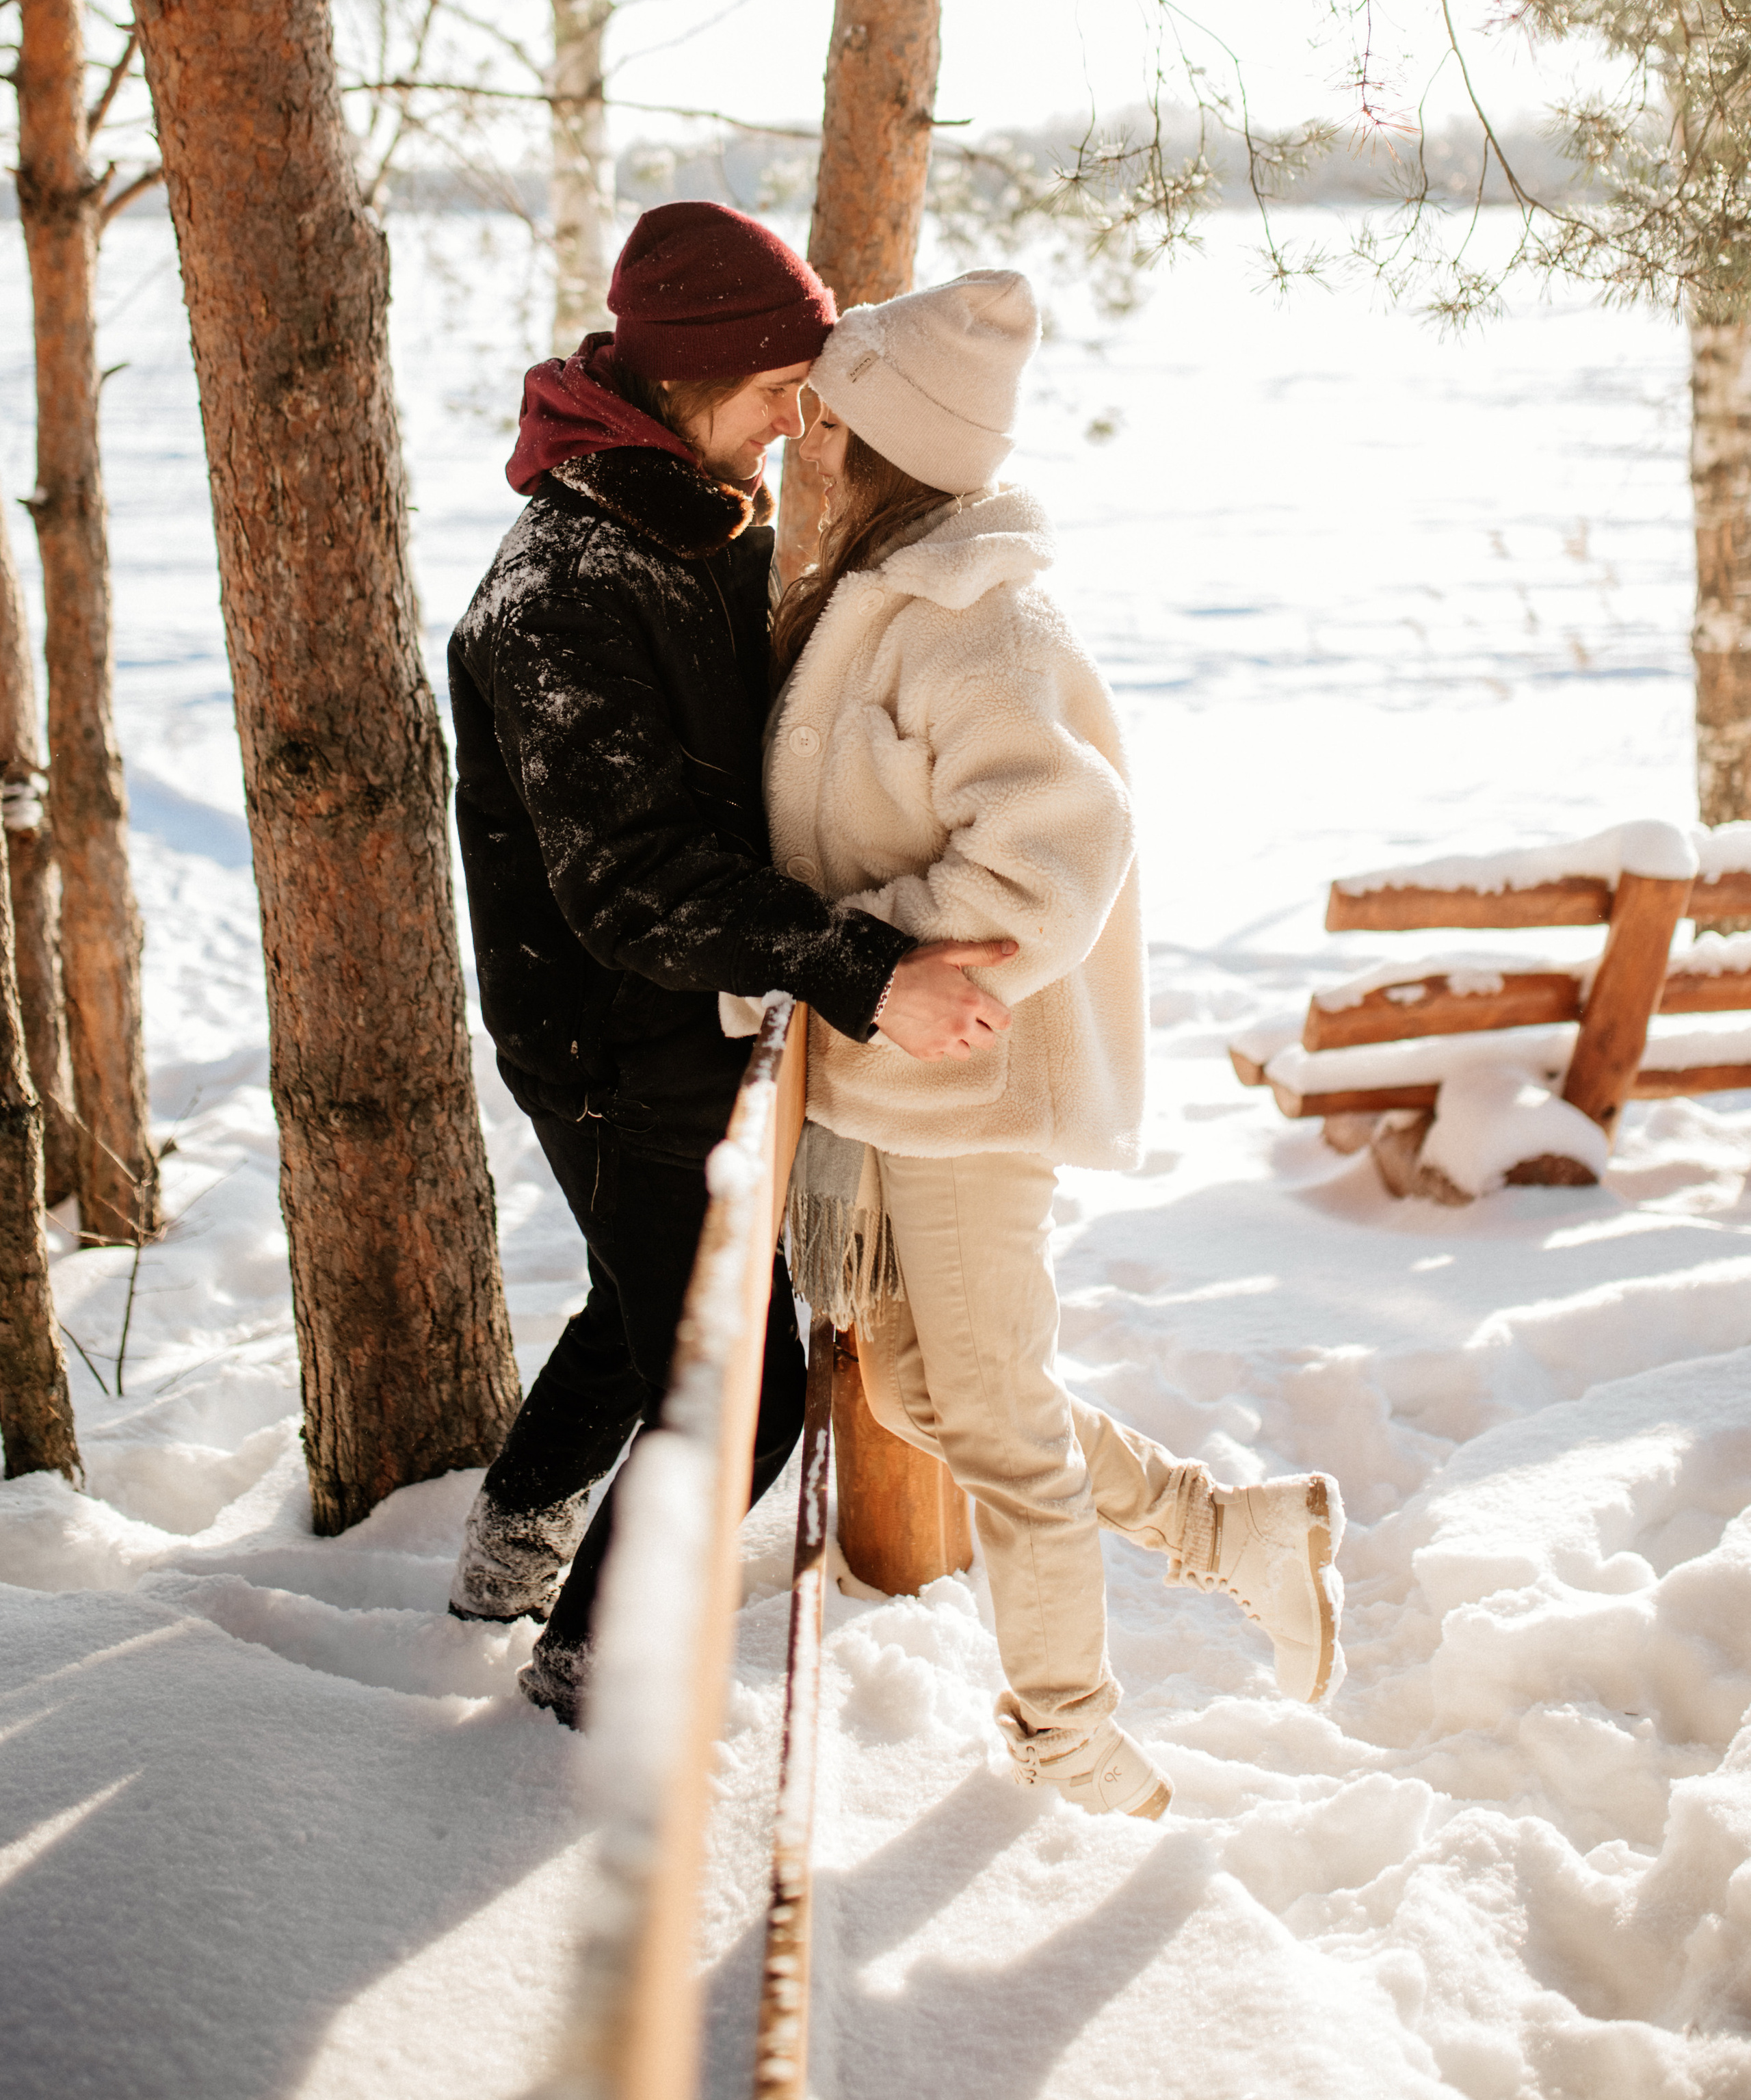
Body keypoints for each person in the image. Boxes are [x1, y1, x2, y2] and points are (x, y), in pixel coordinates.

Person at [750, 265, 1346, 1819]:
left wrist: (870, 956)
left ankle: (1068, 1743)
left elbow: (1048, 863)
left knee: (997, 1431)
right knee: (917, 1400)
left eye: (832, 414)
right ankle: (1232, 1533)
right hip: (895, 1078)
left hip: (963, 1082)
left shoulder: (983, 622)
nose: (807, 433)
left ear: (891, 441)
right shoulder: (882, 590)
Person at [445, 200, 1016, 1726]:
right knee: (740, 1385)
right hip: (602, 1042)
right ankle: (588, 1669)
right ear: (688, 376)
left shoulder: (703, 518)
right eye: (779, 388)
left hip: (692, 1014)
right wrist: (865, 968)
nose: (799, 416)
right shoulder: (561, 587)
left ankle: (506, 1550)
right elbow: (628, 881)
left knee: (642, 1308)